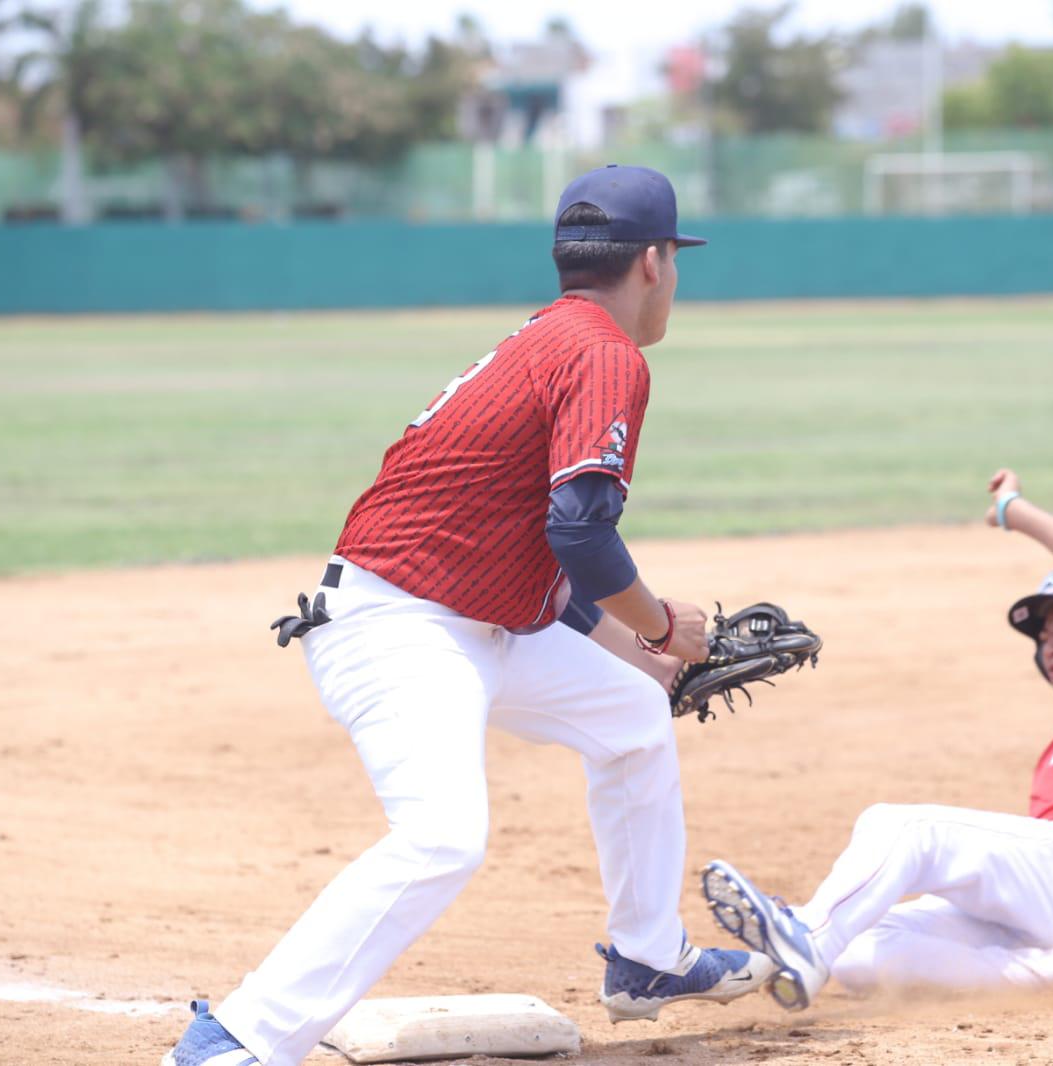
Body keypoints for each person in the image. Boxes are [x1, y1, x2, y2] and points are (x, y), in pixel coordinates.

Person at [163, 165, 772, 1066]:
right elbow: (581, 531)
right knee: (443, 836)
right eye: (674, 259)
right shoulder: (606, 355)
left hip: (468, 621)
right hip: (397, 627)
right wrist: (657, 625)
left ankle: (647, 959)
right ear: (652, 261)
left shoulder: (550, 338)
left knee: (634, 717)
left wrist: (636, 655)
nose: (674, 277)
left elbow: (537, 562)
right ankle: (239, 1036)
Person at [700, 469, 1053, 1009]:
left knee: (904, 827)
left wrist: (1013, 511)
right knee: (859, 952)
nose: (1049, 647)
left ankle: (806, 934)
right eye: (1043, 638)